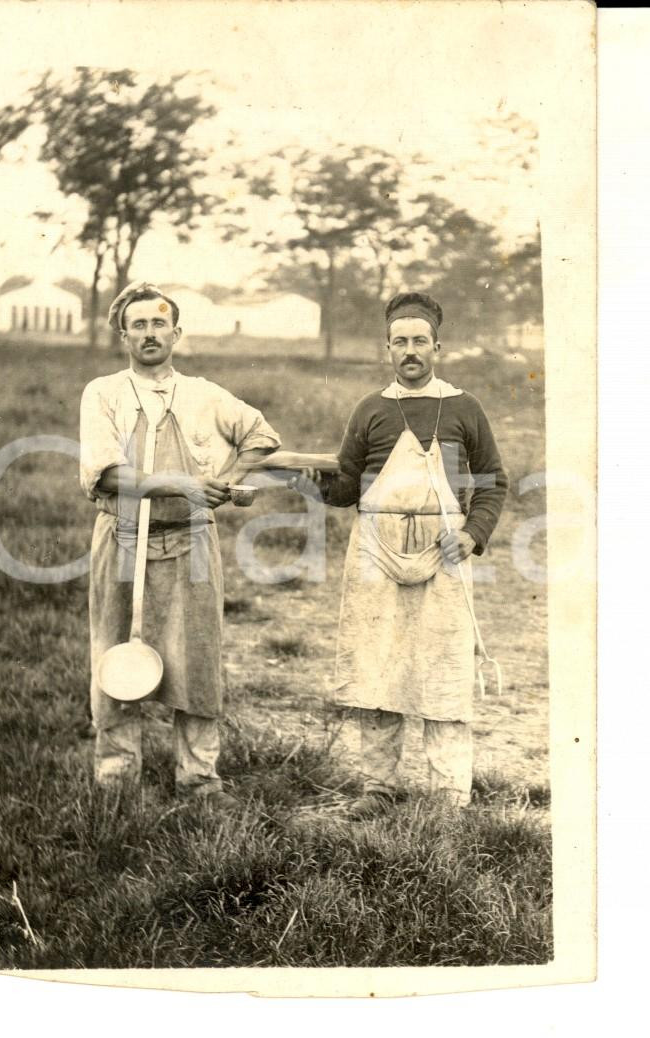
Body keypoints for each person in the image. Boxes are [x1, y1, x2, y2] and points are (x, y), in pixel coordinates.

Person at [299, 291, 507, 814]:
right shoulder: (370, 409)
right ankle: (378, 788)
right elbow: (347, 486)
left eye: (419, 341)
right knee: (377, 667)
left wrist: (472, 533)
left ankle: (448, 795)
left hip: (445, 551)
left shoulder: (464, 407)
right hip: (375, 550)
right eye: (399, 342)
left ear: (438, 345)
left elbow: (493, 482)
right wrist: (315, 484)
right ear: (386, 349)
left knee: (444, 668)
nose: (409, 351)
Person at [79, 282, 280, 807]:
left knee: (198, 656)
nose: (149, 333)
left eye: (158, 323)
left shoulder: (203, 394)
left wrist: (223, 484)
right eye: (138, 325)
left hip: (190, 539)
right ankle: (116, 777)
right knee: (115, 647)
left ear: (176, 332)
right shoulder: (104, 392)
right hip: (121, 537)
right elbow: (109, 474)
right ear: (123, 335)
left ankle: (199, 779)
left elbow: (261, 435)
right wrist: (186, 484)